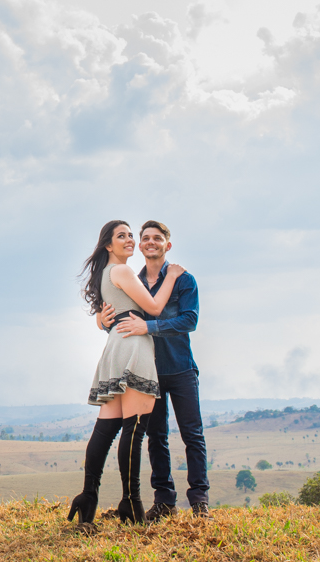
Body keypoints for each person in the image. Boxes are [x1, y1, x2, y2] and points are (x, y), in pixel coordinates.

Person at [68, 220, 184, 525]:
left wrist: (100, 320)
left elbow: (108, 314)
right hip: (134, 346)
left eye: (131, 235)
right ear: (108, 245)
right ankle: (131, 503)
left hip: (116, 346)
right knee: (134, 429)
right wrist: (172, 275)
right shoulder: (122, 271)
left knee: (106, 429)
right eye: (122, 236)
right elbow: (154, 308)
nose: (130, 239)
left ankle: (88, 496)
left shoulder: (106, 273)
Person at [100, 220, 209, 520]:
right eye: (145, 238)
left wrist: (148, 326)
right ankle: (164, 501)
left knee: (192, 435)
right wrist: (102, 321)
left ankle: (200, 502)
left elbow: (189, 320)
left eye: (157, 238)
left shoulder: (184, 280)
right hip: (148, 372)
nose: (150, 242)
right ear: (141, 246)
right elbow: (120, 321)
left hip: (181, 368)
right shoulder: (132, 282)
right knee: (156, 437)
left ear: (167, 245)